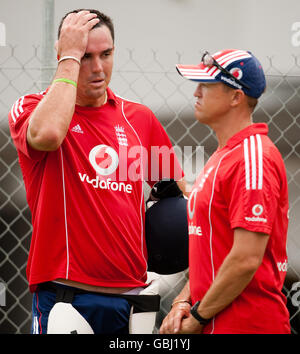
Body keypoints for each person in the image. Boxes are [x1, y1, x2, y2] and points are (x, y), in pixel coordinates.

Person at [8, 9, 185, 334]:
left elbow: (179, 196)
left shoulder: (139, 119)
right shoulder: (31, 107)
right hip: (66, 296)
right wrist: (69, 57)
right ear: (64, 57)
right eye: (85, 56)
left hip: (133, 299)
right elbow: (46, 136)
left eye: (105, 54)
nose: (98, 67)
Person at [160, 49, 291, 334]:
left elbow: (245, 259)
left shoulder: (254, 157)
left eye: (206, 85)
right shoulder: (224, 155)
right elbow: (214, 253)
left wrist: (197, 318)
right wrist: (183, 300)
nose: (196, 93)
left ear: (236, 97)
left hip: (248, 325)